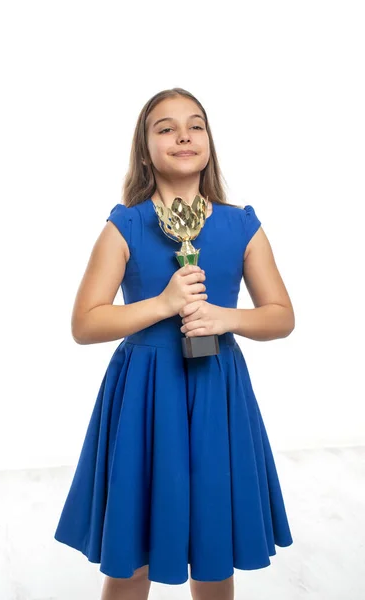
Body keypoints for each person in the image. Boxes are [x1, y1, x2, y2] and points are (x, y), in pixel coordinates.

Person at [54, 87, 295, 600]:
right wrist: (164, 304)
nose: (183, 135)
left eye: (195, 125)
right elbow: (85, 323)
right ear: (146, 148)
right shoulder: (125, 225)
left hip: (217, 392)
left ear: (209, 141)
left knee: (214, 547)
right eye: (165, 127)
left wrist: (223, 317)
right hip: (144, 396)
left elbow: (281, 316)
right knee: (131, 550)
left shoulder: (242, 225)